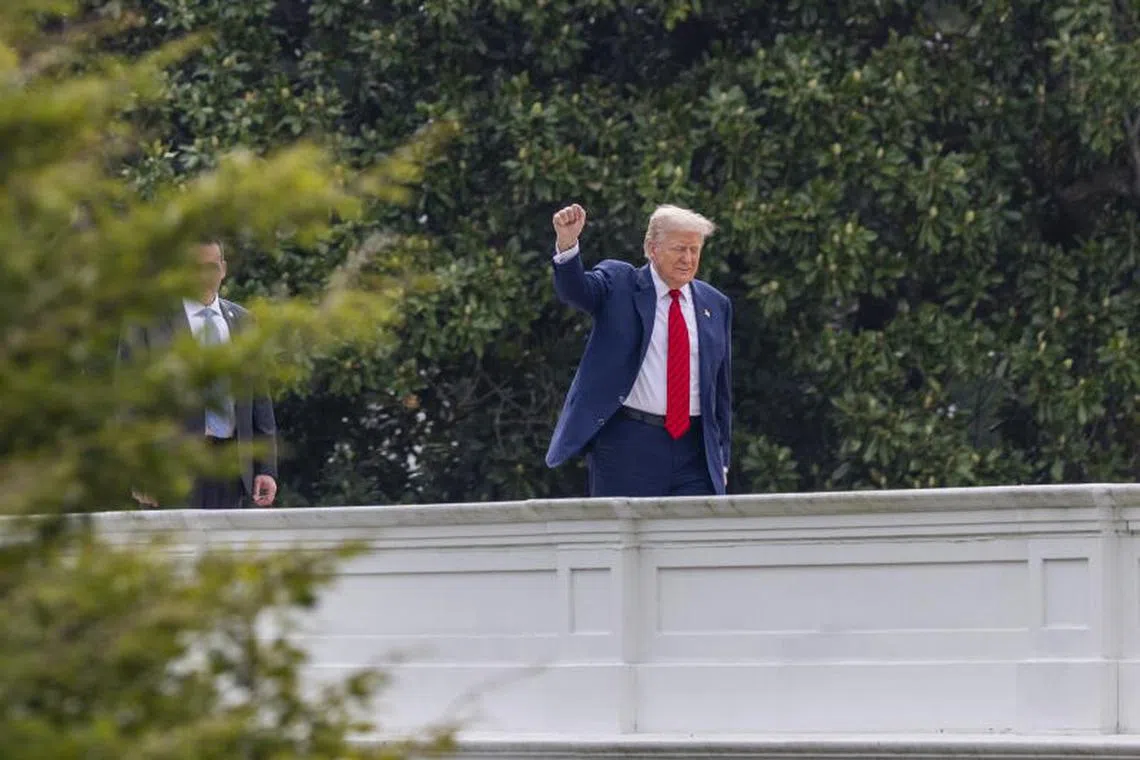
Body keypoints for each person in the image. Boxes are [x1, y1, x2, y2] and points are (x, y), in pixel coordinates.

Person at [545, 203, 733, 497]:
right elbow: (576, 291)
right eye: (679, 249)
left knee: (693, 539)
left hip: (694, 450)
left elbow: (720, 391)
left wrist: (721, 459)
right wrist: (568, 245)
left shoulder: (715, 304)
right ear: (652, 248)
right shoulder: (620, 283)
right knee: (623, 539)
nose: (688, 259)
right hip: (629, 444)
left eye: (694, 250)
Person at [118, 240, 278, 509]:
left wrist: (267, 468)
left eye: (211, 268)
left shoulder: (244, 322)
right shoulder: (147, 322)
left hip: (231, 471)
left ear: (224, 269)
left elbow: (259, 401)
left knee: (226, 551)